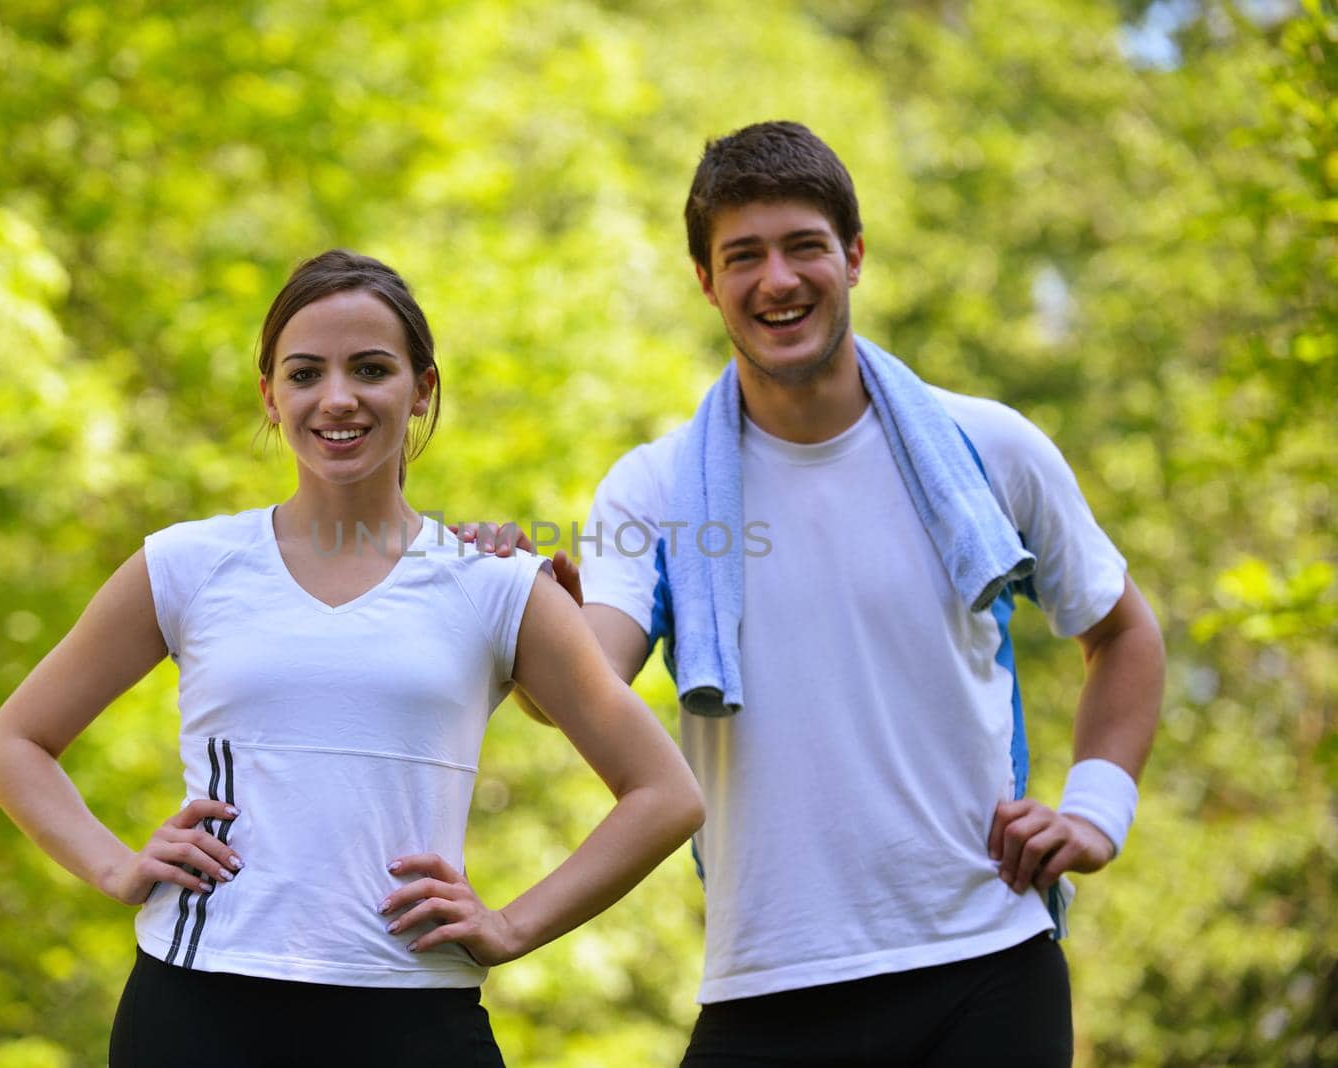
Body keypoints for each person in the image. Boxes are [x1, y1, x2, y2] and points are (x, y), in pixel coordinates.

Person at [469, 121, 1165, 1066]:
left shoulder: (989, 448)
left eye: (804, 246)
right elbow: (582, 692)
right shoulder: (657, 488)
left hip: (988, 962)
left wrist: (1093, 815)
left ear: (854, 256)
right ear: (707, 283)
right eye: (743, 255)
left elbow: (1122, 634)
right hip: (767, 981)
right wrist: (519, 600)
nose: (778, 280)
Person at [0, 249, 704, 1067]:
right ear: (270, 395)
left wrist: (512, 925)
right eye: (306, 373)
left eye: (371, 369)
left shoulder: (495, 582)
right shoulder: (188, 564)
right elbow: (11, 745)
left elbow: (665, 794)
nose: (338, 398)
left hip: (413, 1016)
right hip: (197, 1009)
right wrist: (115, 867)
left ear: (422, 387)